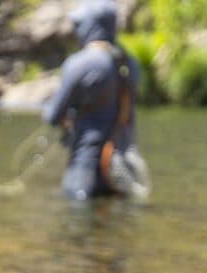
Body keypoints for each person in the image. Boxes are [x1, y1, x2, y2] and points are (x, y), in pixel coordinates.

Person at [42, 0, 148, 201]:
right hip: (119, 172)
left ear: (90, 25)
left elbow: (52, 117)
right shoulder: (130, 64)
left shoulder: (79, 63)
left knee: (77, 223)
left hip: (84, 171)